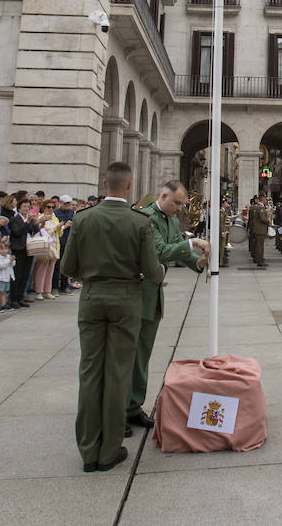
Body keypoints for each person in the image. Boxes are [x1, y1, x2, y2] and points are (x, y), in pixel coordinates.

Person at [63, 161, 165, 473]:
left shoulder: (83, 219)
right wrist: (159, 272)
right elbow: (152, 271)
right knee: (119, 371)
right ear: (129, 186)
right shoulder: (139, 221)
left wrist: (93, 274)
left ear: (105, 183)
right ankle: (108, 450)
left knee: (90, 370)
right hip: (126, 299)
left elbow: (67, 268)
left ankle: (88, 450)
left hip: (92, 297)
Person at [128, 180, 209, 430]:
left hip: (153, 297)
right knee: (129, 356)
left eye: (182, 204)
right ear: (163, 196)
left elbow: (179, 253)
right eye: (176, 203)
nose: (179, 209)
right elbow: (160, 251)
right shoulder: (147, 218)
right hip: (136, 296)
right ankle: (118, 409)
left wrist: (197, 263)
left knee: (143, 354)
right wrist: (192, 243)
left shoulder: (173, 221)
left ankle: (133, 407)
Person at [247, 196, 269, 268]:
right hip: (260, 229)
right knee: (260, 246)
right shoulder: (260, 208)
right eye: (266, 200)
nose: (266, 201)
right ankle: (260, 261)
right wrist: (268, 221)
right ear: (263, 200)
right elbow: (262, 219)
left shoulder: (255, 207)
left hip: (257, 229)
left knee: (257, 245)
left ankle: (258, 258)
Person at [0, 240, 14, 312]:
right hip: (0, 278)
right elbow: (2, 266)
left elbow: (12, 265)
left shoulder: (8, 257)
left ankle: (3, 304)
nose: (4, 251)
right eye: (2, 249)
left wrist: (12, 260)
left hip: (7, 277)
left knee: (4, 292)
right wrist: (9, 261)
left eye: (5, 249)